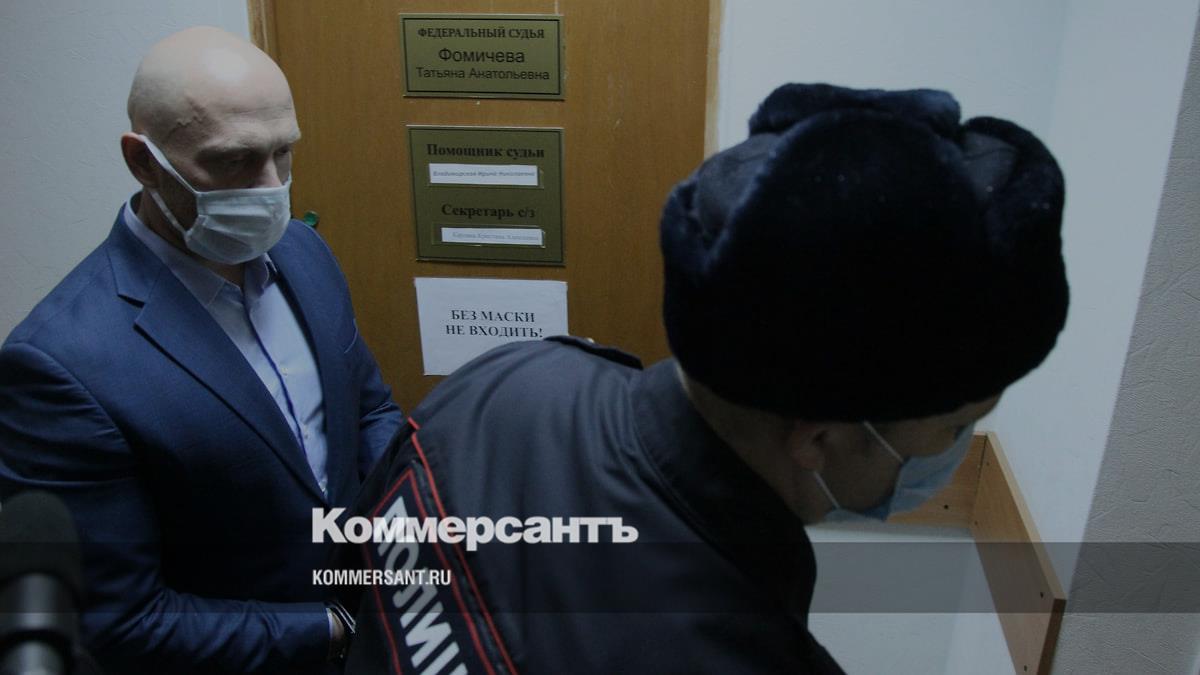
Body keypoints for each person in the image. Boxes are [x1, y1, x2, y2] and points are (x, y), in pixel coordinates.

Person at [337, 83, 1068, 673]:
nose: (955, 449)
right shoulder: (739, 651)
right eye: (955, 425)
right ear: (817, 438)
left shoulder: (514, 376)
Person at [0, 26, 402, 673]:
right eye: (233, 161)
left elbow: (369, 411)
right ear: (142, 161)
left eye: (283, 153)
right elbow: (118, 620)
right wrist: (334, 629)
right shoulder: (58, 364)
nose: (270, 187)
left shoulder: (305, 253)